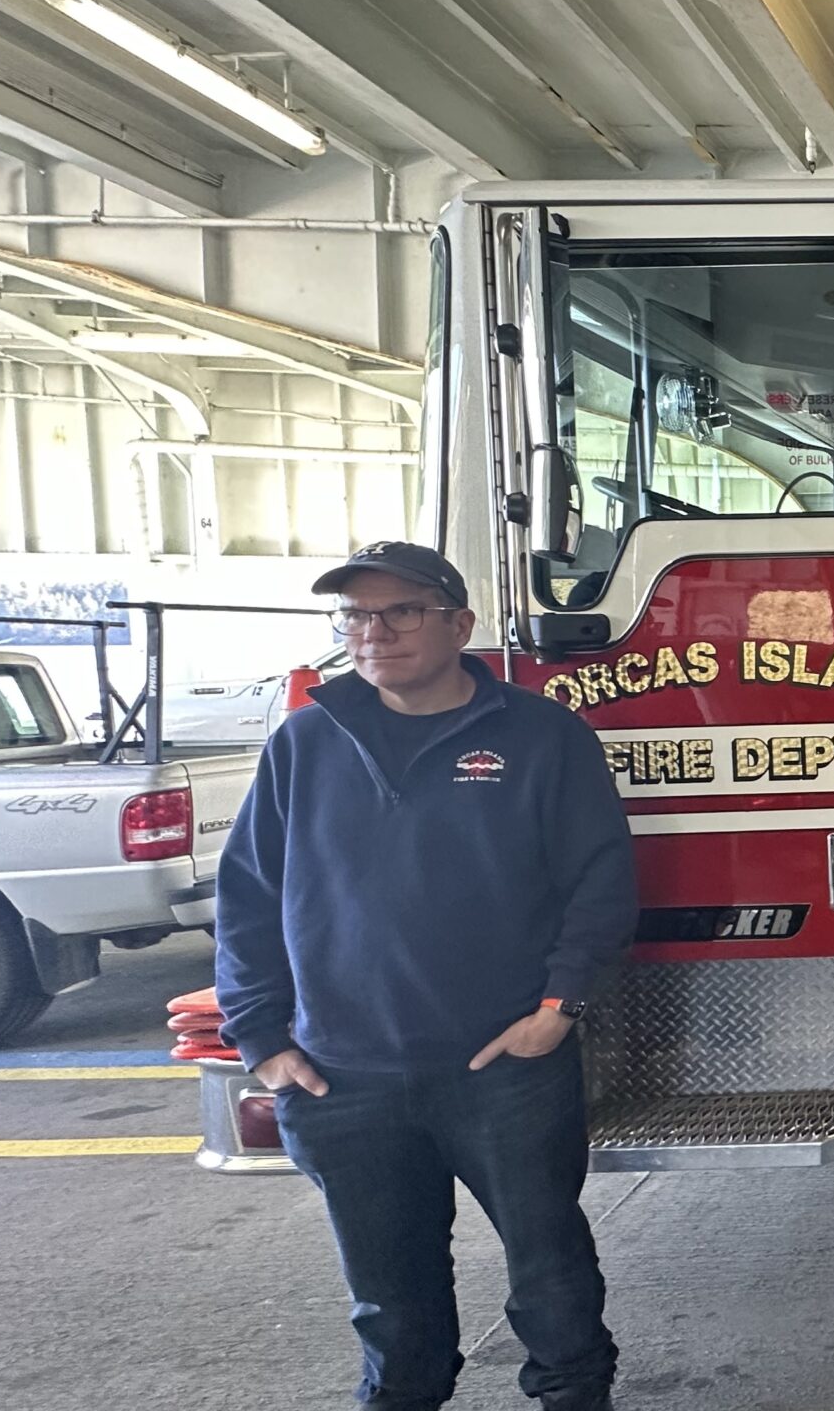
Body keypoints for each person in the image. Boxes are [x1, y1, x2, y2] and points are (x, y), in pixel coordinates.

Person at [216, 541, 637, 1411]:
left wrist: (558, 1008)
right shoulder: (305, 741)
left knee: (554, 1283)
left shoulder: (541, 735)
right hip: (344, 1077)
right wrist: (261, 1040)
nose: (376, 633)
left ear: (459, 624)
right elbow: (248, 894)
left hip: (505, 1070)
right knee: (391, 1308)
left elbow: (601, 881)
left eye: (401, 612)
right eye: (357, 617)